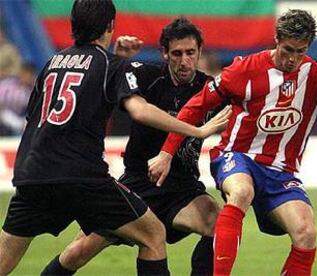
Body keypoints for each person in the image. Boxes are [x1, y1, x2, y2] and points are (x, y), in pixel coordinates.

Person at [148, 9, 317, 276]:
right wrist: (167, 152)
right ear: (276, 39)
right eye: (288, 49)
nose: (293, 58)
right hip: (237, 156)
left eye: (301, 51)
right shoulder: (244, 69)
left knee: (306, 232)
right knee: (241, 192)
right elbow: (195, 106)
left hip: (280, 171)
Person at [0, 1, 230, 276]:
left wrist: (118, 58)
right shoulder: (125, 69)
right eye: (177, 53)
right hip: (93, 178)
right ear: (110, 25)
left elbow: (34, 116)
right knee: (147, 236)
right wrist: (198, 131)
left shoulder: (53, 63)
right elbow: (139, 109)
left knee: (6, 257)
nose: (184, 60)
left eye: (190, 53)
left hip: (33, 172)